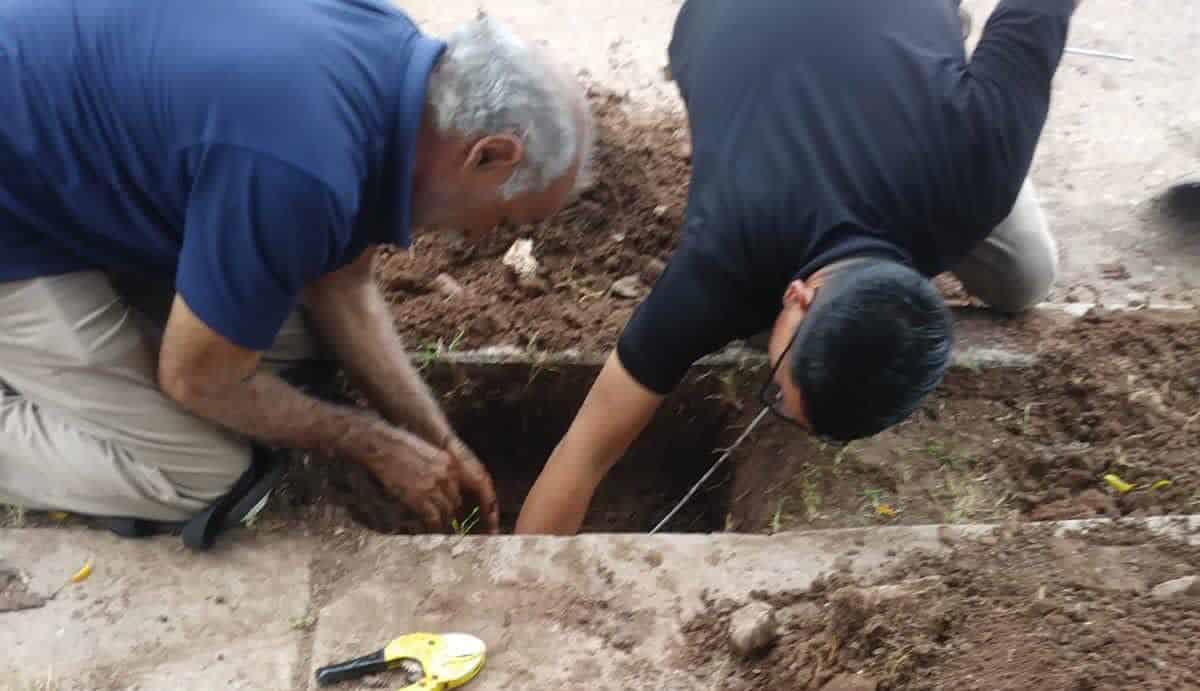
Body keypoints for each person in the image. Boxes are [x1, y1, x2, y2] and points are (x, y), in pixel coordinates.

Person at [0, 0, 592, 543]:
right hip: (17, 212)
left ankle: (81, 372)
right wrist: (371, 443)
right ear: (488, 154)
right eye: (509, 214)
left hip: (60, 146)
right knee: (206, 474)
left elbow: (342, 284)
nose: (491, 236)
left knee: (292, 351)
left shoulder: (389, 54)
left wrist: (437, 439)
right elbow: (195, 379)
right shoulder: (303, 170)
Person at [515, 0, 1081, 535]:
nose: (776, 404)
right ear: (795, 297)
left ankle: (922, 45)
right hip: (731, 19)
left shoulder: (979, 167)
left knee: (1025, 276)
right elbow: (587, 447)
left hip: (896, 99)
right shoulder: (723, 260)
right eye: (780, 396)